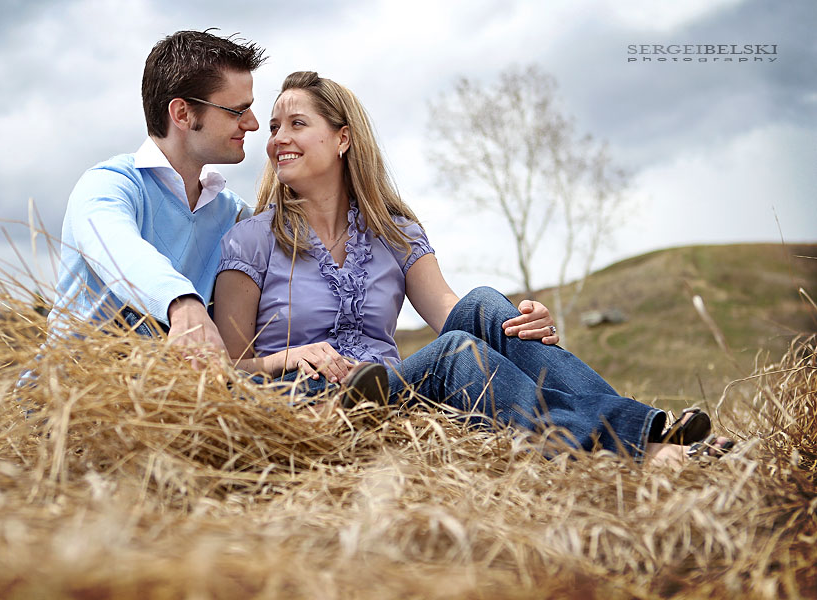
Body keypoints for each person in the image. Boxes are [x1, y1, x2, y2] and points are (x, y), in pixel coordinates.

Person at [213, 71, 733, 467]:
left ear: (343, 138)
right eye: (274, 127)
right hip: (311, 404)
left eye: (296, 124)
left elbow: (450, 310)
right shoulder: (251, 238)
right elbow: (227, 368)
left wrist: (522, 321)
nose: (276, 138)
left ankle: (652, 433)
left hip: (393, 390)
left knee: (483, 304)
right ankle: (647, 440)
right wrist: (291, 355)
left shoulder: (394, 232)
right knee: (457, 354)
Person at [47, 30, 266, 365]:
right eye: (237, 111)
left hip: (166, 394)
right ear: (182, 114)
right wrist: (182, 302)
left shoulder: (234, 215)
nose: (253, 124)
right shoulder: (109, 186)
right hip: (69, 391)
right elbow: (117, 248)